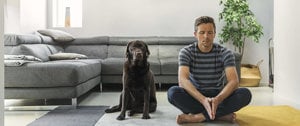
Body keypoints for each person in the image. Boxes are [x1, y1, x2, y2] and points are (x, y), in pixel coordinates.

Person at [167, 16, 252, 124]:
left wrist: (217, 99)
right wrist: (203, 100)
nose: (206, 36)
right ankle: (220, 115)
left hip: (218, 94)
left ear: (214, 34)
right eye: (202, 32)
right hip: (195, 95)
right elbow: (183, 80)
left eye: (210, 33)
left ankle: (199, 117)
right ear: (195, 34)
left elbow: (234, 81)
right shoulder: (186, 52)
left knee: (245, 94)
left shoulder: (225, 53)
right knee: (172, 93)